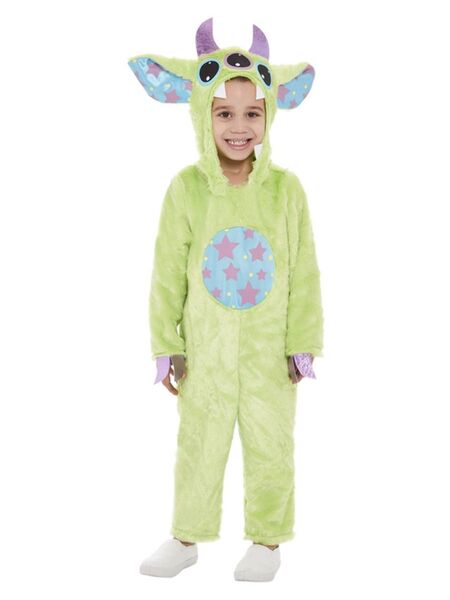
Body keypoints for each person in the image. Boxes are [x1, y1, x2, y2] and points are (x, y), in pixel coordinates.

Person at [128, 17, 324, 582]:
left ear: (270, 115)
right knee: (198, 443)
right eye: (224, 113)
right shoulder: (186, 190)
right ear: (201, 114)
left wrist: (303, 343)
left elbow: (305, 271)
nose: (239, 127)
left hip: (268, 354)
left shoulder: (286, 191)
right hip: (206, 353)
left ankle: (267, 541)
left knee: (271, 444)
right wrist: (166, 345)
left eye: (252, 114)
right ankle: (186, 537)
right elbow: (168, 274)